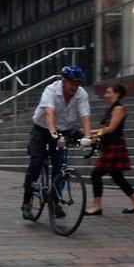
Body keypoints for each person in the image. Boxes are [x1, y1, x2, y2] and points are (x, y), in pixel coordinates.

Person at [20, 66, 92, 217]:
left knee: (60, 168)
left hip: (64, 130)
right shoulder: (51, 90)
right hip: (42, 129)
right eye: (72, 83)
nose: (75, 87)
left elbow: (85, 114)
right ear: (63, 81)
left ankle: (54, 202)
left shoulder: (81, 94)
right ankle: (27, 203)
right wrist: (53, 133)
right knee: (36, 163)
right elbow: (49, 112)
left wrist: (87, 137)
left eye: (77, 84)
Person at [86, 84, 134, 216]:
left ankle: (96, 206)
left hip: (114, 146)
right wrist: (89, 132)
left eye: (108, 92)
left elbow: (111, 128)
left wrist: (92, 133)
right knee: (117, 176)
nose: (105, 95)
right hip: (110, 146)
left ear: (116, 94)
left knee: (96, 174)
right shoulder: (111, 109)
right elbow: (105, 129)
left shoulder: (119, 108)